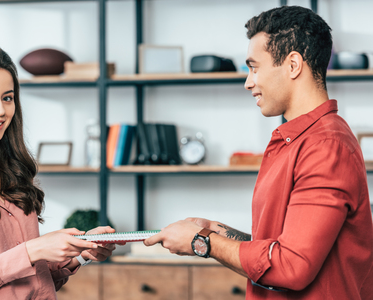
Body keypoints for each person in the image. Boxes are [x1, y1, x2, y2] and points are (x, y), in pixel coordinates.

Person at [144, 6, 373, 299]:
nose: (248, 82)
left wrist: (202, 242)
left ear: (293, 65)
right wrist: (216, 231)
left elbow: (291, 267)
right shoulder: (298, 140)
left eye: (254, 67)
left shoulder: (325, 147)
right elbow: (283, 246)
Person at [0, 44, 118, 299]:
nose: (0, 110)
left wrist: (79, 254)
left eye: (7, 97)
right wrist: (34, 249)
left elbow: (29, 279)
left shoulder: (14, 170)